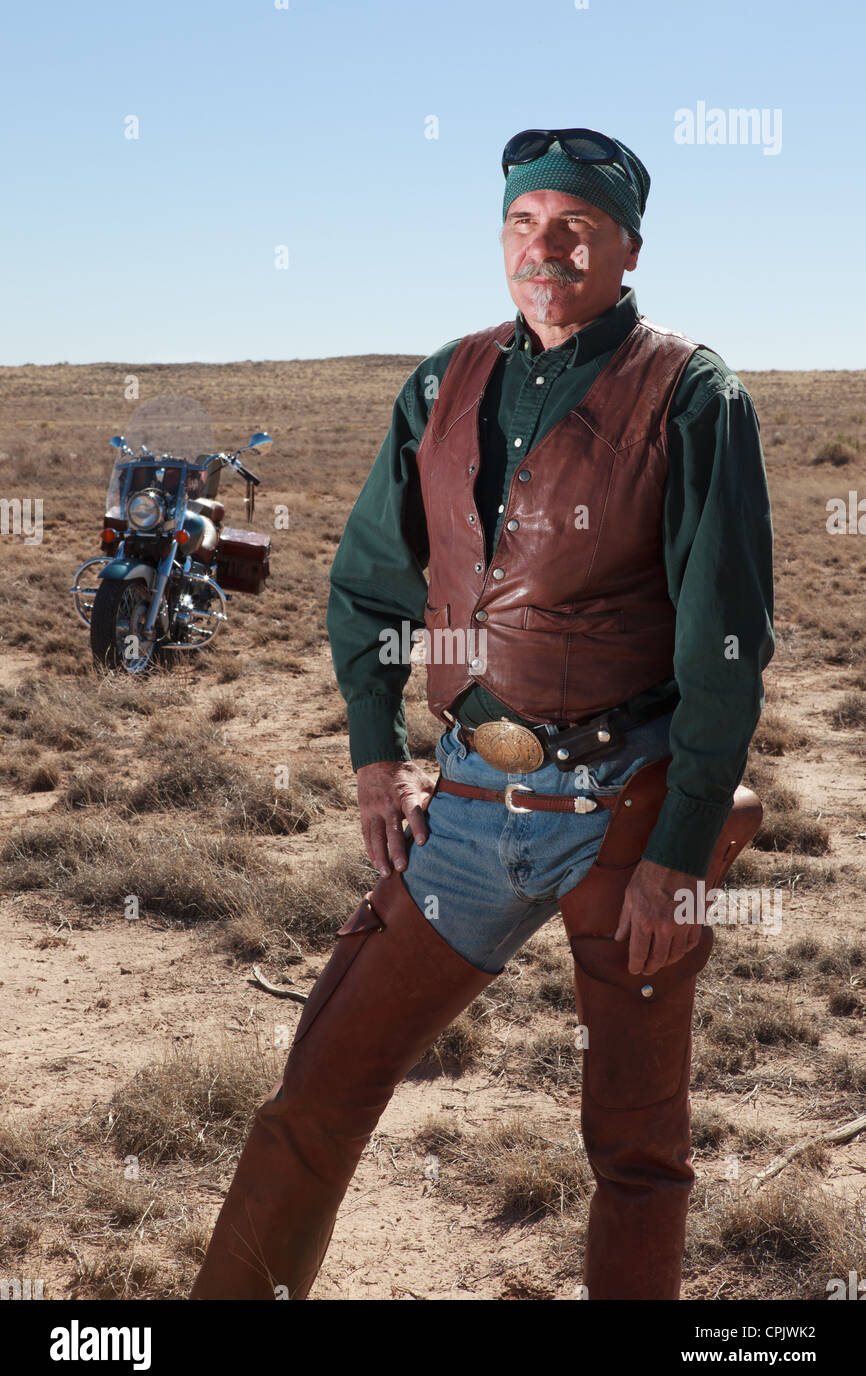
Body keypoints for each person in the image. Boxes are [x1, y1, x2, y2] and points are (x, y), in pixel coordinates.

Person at [190, 127, 774, 1301]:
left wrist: (678, 852)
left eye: (572, 227)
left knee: (637, 1151)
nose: (541, 247)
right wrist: (374, 761)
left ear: (626, 249)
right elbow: (369, 585)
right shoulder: (443, 382)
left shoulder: (690, 393)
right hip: (463, 805)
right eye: (521, 221)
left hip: (625, 807)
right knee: (318, 1095)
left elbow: (725, 646)